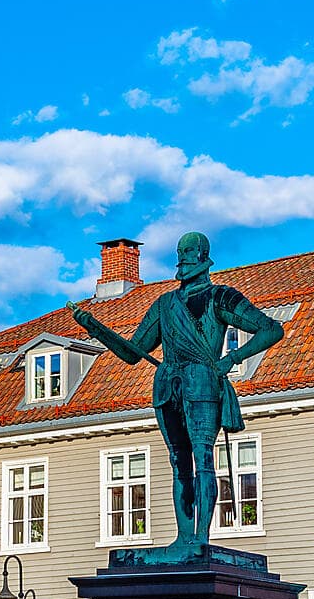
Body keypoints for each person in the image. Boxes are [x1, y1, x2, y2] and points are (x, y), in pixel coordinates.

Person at [69, 231, 284, 562]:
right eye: (180, 256)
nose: (183, 262)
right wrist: (95, 328)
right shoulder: (165, 304)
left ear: (202, 259)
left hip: (202, 383)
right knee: (178, 462)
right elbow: (133, 352)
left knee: (204, 460)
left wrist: (232, 358)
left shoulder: (220, 297)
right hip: (168, 385)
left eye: (189, 256)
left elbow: (271, 328)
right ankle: (183, 537)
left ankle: (200, 537)